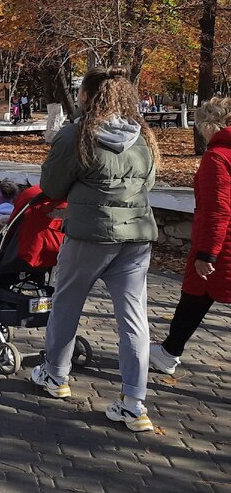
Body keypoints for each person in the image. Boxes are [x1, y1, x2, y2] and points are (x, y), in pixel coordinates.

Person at [32, 68, 159, 432]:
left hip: (90, 235)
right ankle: (134, 403)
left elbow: (52, 185)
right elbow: (146, 183)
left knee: (67, 305)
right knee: (134, 317)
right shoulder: (144, 138)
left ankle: (56, 376)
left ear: (87, 96)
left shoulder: (77, 135)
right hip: (136, 237)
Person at [150, 97, 231, 375]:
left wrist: (206, 252)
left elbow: (216, 208)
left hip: (220, 245)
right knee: (195, 297)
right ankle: (169, 350)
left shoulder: (217, 157)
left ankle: (169, 353)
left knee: (195, 295)